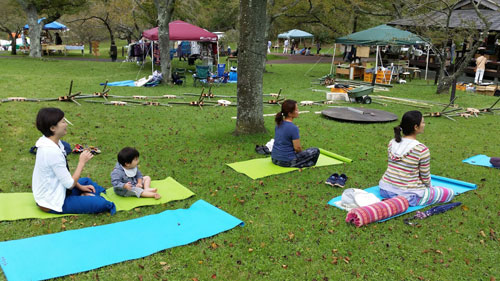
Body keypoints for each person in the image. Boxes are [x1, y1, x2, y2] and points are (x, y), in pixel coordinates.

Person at [32, 108, 116, 214]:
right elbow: (70, 184)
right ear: (53, 128)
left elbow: (63, 175)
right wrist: (81, 162)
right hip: (52, 202)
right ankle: (91, 198)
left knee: (86, 182)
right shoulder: (51, 152)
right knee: (103, 204)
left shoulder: (52, 142)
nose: (66, 124)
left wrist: (80, 187)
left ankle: (89, 196)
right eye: (62, 121)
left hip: (58, 189)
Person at [379, 111, 455, 206]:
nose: (424, 124)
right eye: (422, 122)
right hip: (408, 195)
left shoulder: (392, 142)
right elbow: (425, 176)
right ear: (416, 127)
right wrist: (429, 188)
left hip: (384, 189)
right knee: (449, 193)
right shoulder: (421, 149)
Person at [271, 100, 320, 168]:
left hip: (274, 158)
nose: (298, 111)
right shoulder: (293, 128)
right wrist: (301, 155)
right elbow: (297, 148)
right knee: (315, 150)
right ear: (290, 113)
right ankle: (305, 164)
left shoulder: (278, 124)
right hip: (286, 162)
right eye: (296, 109)